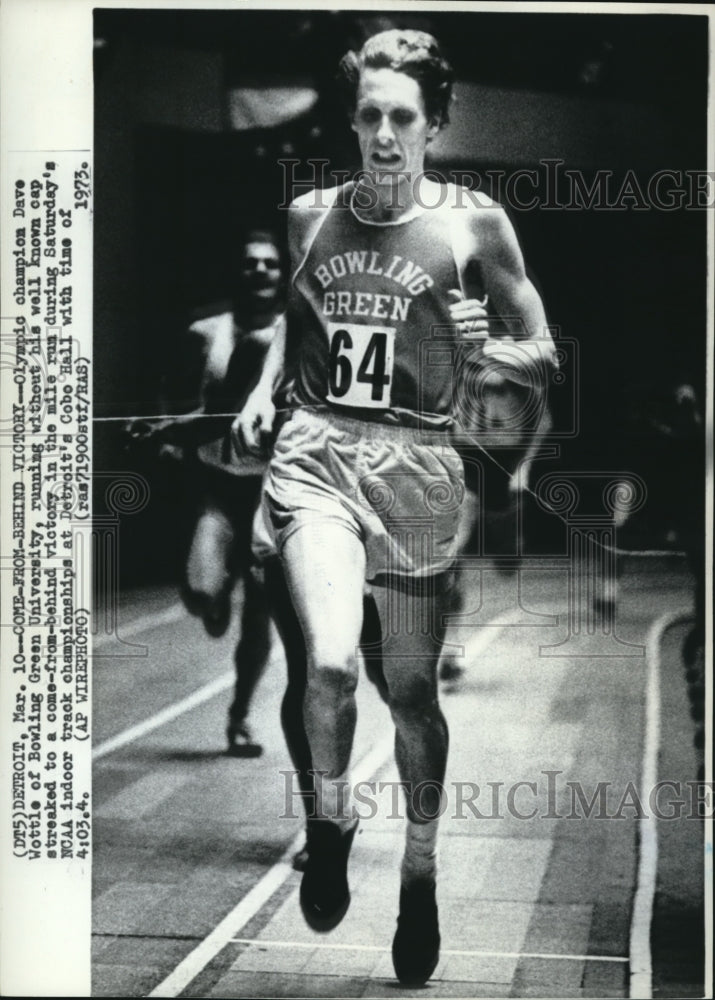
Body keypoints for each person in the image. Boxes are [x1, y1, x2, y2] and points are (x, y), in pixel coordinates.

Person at [235, 29, 556, 988]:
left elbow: (543, 353)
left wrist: (486, 348)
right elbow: (297, 325)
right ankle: (329, 820)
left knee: (408, 694)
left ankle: (419, 872)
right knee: (328, 665)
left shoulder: (475, 226)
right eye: (368, 114)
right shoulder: (306, 217)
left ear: (436, 125)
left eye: (402, 118)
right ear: (351, 118)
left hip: (416, 467)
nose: (382, 135)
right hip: (317, 456)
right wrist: (263, 388)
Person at [128, 230, 286, 756]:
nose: (260, 271)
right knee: (199, 594)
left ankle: (239, 718)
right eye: (250, 263)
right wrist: (165, 431)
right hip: (218, 487)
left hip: (273, 496)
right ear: (237, 273)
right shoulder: (206, 332)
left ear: (283, 274)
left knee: (259, 618)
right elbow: (175, 389)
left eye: (270, 263)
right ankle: (212, 599)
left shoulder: (292, 336)